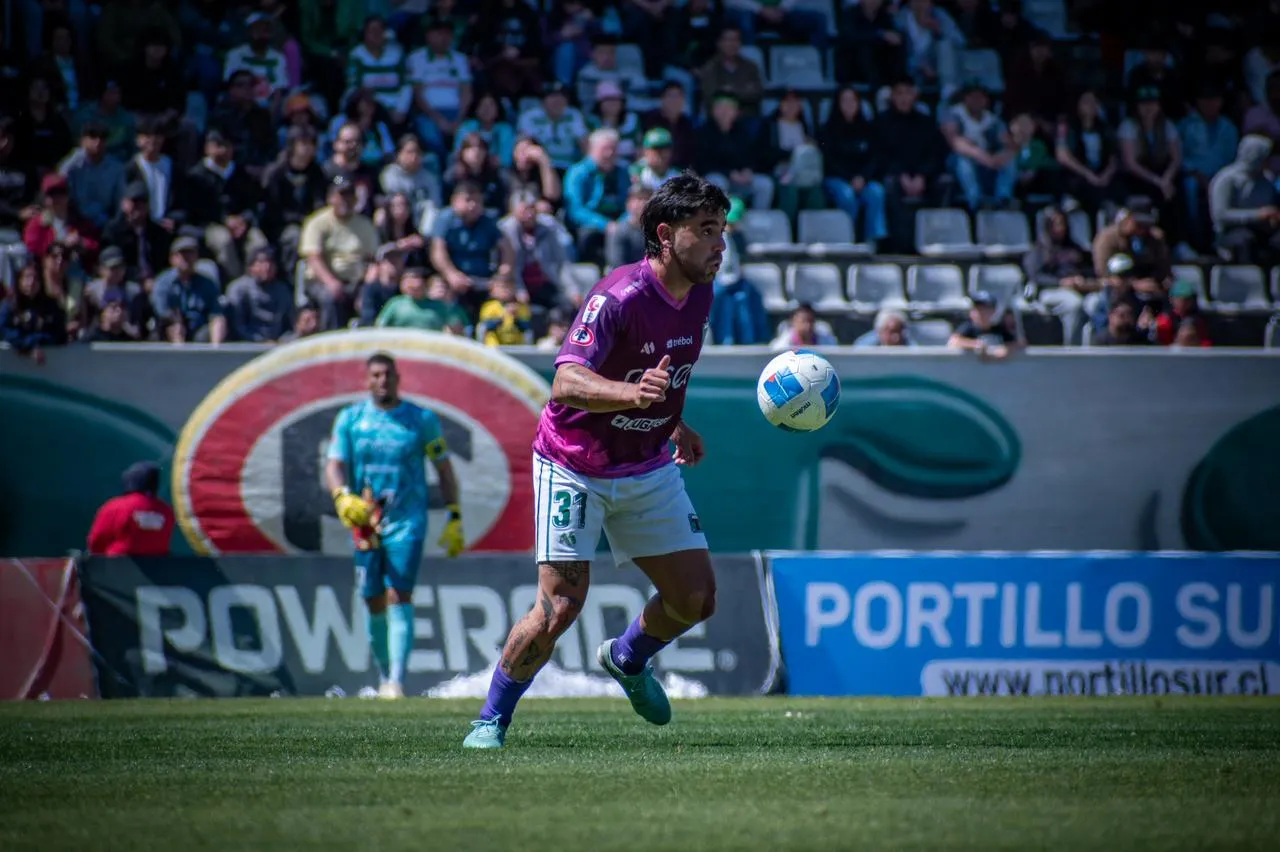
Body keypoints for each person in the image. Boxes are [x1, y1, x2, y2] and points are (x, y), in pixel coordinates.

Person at [463, 174, 729, 749]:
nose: (719, 243)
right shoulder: (618, 297)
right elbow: (565, 382)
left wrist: (672, 420)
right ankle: (490, 720)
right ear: (665, 234)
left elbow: (654, 375)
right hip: (574, 463)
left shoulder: (702, 291)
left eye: (722, 229)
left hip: (648, 462)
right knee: (558, 607)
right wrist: (635, 398)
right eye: (706, 230)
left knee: (696, 599)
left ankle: (628, 659)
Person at [325, 353, 465, 700]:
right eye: (375, 374)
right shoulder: (351, 419)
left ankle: (395, 682)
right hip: (366, 523)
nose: (382, 380)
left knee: (398, 593)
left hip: (407, 522)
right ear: (367, 380)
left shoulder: (421, 419)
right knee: (371, 597)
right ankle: (384, 673)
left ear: (398, 377)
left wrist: (455, 514)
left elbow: (443, 468)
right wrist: (342, 495)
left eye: (388, 374)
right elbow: (335, 464)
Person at [86, 461, 175, 556]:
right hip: (159, 568)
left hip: (117, 567)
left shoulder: (114, 507)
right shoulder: (167, 511)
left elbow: (95, 542)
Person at [947, 291, 1025, 360]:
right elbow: (954, 341)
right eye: (978, 310)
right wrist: (975, 345)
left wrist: (1007, 349)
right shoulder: (968, 327)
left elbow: (1019, 343)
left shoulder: (999, 328)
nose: (981, 314)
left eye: (985, 310)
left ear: (993, 312)